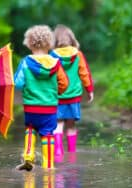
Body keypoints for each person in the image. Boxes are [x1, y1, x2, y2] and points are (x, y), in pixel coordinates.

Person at [14, 25, 69, 171]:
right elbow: (64, 83)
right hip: (49, 108)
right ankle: (49, 165)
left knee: (30, 129)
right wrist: (56, 93)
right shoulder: (56, 63)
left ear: (30, 44)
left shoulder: (25, 62)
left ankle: (28, 157)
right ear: (49, 44)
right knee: (47, 134)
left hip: (31, 107)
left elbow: (18, 84)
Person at [50, 24, 94, 161]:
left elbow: (48, 75)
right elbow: (84, 73)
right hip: (74, 96)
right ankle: (72, 153)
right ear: (72, 39)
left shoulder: (52, 56)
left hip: (57, 96)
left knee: (58, 124)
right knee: (71, 124)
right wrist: (90, 90)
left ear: (55, 40)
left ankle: (58, 150)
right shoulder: (78, 55)